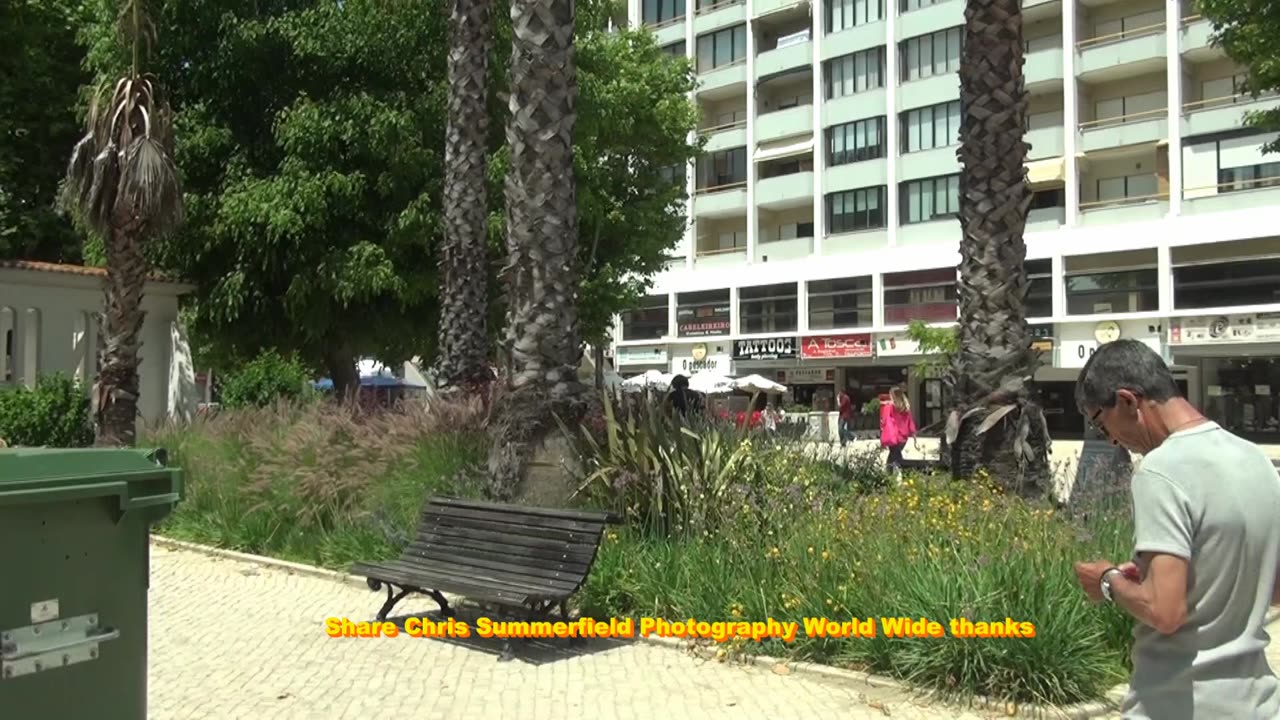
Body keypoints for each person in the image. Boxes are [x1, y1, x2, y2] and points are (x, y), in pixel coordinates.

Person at [1070, 339, 1280, 720]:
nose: (1112, 441)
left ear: (1128, 401)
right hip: (1258, 704)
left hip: (1177, 702)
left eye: (1102, 423)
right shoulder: (1256, 460)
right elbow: (1274, 587)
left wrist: (1108, 580)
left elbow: (1164, 612)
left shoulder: (1160, 471)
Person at [879, 387, 916, 475]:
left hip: (893, 436)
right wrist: (914, 435)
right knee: (893, 455)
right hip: (903, 437)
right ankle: (889, 474)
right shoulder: (906, 407)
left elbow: (884, 420)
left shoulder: (890, 408)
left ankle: (907, 472)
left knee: (896, 457)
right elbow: (910, 421)